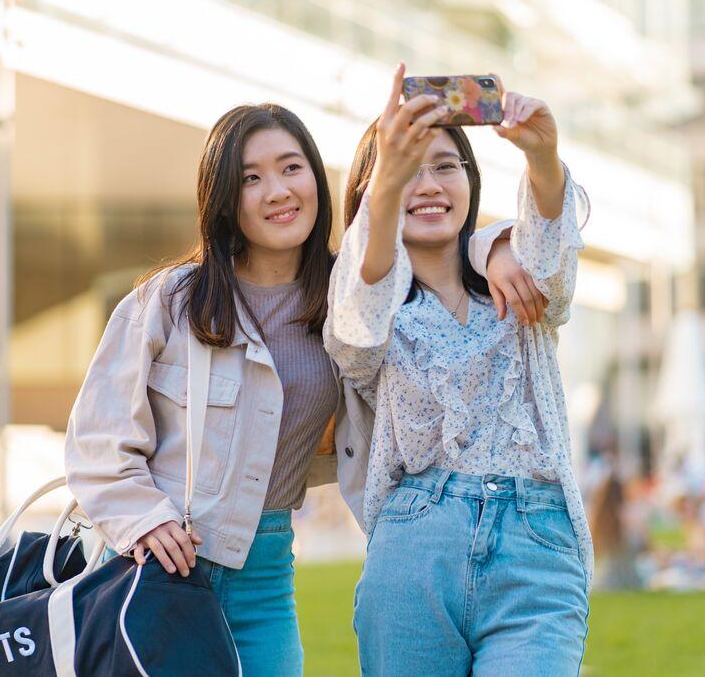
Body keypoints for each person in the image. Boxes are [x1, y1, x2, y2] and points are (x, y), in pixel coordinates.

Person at [64, 102, 541, 676]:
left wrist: (494, 244)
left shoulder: (350, 303)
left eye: (292, 168)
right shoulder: (171, 301)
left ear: (317, 179)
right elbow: (97, 438)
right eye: (250, 178)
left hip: (266, 576)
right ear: (223, 198)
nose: (276, 191)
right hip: (160, 569)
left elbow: (433, 244)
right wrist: (145, 518)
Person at [325, 64, 592, 675]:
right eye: (407, 167)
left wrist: (543, 158)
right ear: (377, 190)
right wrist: (386, 184)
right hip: (415, 551)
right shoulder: (376, 310)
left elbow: (552, 265)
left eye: (445, 165)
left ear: (470, 179)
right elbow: (356, 319)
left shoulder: (515, 282)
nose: (430, 184)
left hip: (536, 548)